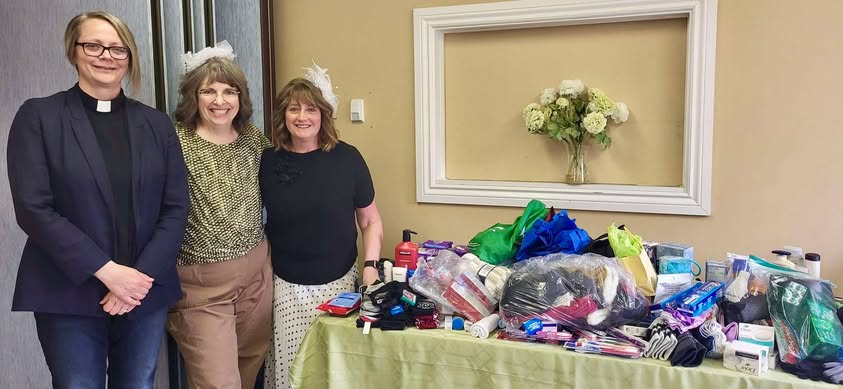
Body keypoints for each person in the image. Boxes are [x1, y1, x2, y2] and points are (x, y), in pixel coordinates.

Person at [6, 11, 190, 388]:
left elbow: (176, 207)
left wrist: (138, 279)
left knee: (138, 383)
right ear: (73, 51)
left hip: (142, 290)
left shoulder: (156, 124)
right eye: (94, 46)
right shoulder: (40, 117)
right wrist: (109, 272)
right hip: (67, 289)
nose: (107, 56)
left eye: (118, 49)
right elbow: (33, 208)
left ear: (130, 57)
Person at [261, 78, 383, 388]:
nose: (302, 117)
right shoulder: (268, 160)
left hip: (339, 287)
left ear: (323, 115)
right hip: (285, 288)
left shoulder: (348, 158)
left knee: (333, 373)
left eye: (311, 109)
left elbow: (370, 221)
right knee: (292, 373)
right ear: (283, 115)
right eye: (294, 109)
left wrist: (371, 267)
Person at [166, 42, 273, 389]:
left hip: (257, 276)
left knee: (249, 367)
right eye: (208, 91)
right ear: (192, 96)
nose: (219, 100)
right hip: (200, 287)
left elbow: (284, 185)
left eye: (229, 91)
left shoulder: (252, 138)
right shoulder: (174, 141)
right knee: (218, 382)